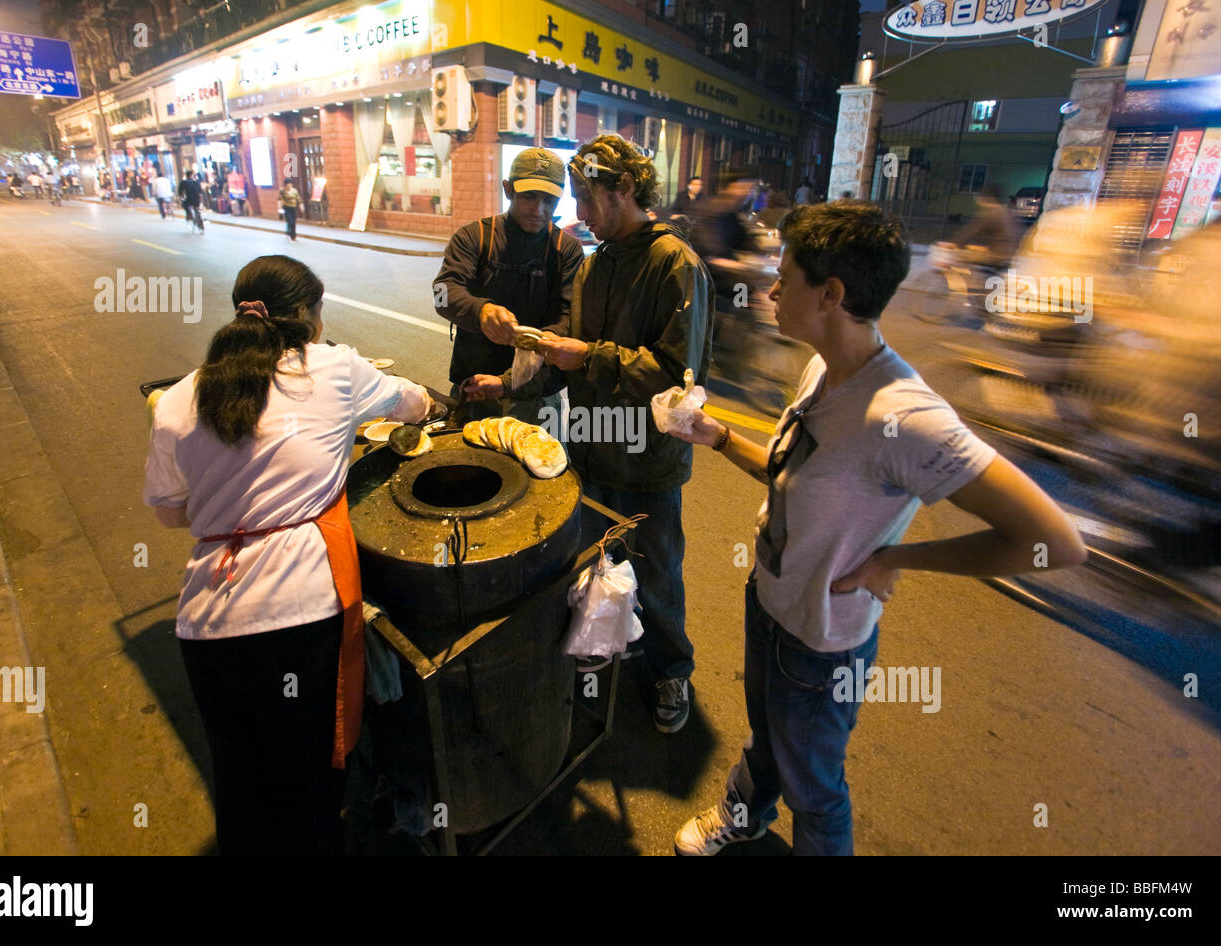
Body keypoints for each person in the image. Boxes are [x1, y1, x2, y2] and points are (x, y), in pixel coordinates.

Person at [668, 201, 1087, 856]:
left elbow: (1053, 541)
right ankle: (746, 813)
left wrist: (898, 560)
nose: (770, 291)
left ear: (831, 294)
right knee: (768, 739)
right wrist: (718, 435)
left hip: (822, 644)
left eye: (785, 278)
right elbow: (792, 475)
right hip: (772, 606)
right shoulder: (822, 369)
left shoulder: (905, 414)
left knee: (816, 790)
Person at [143, 255, 431, 854]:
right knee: (311, 790)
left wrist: (231, 512)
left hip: (203, 629)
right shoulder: (334, 369)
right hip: (295, 623)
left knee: (242, 785)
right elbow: (411, 404)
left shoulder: (176, 400)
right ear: (306, 316)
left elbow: (170, 513)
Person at [534, 134, 715, 733]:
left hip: (645, 460)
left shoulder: (675, 265)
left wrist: (589, 356)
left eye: (587, 198)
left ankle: (670, 671)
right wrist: (526, 361)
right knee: (598, 567)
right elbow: (573, 346)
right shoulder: (593, 264)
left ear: (625, 190)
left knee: (657, 572)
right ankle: (606, 648)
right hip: (589, 448)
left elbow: (675, 377)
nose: (579, 214)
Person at [434, 147, 584, 425]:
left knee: (541, 464)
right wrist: (481, 311)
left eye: (549, 200)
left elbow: (570, 315)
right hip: (475, 385)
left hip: (536, 391)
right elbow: (443, 293)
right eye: (529, 196)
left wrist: (544, 342)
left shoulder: (568, 249)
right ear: (508, 189)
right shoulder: (474, 237)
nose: (538, 210)